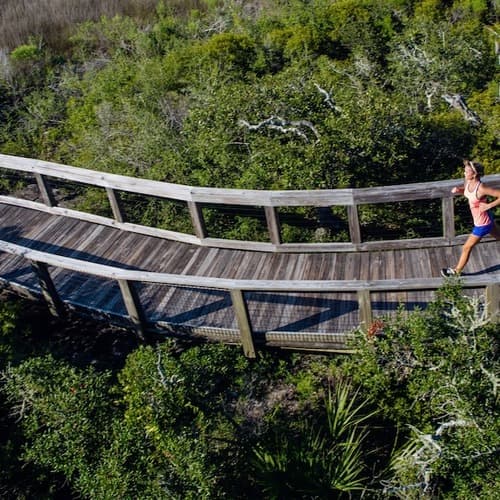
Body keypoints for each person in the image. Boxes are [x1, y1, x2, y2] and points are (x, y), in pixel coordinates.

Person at [441, 159, 500, 277]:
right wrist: (459, 190)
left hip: (482, 224)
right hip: (485, 218)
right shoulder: (467, 182)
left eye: (467, 171)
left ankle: (456, 272)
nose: (464, 173)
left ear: (475, 174)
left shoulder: (481, 188)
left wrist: (489, 205)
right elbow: (469, 194)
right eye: (465, 171)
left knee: (467, 247)